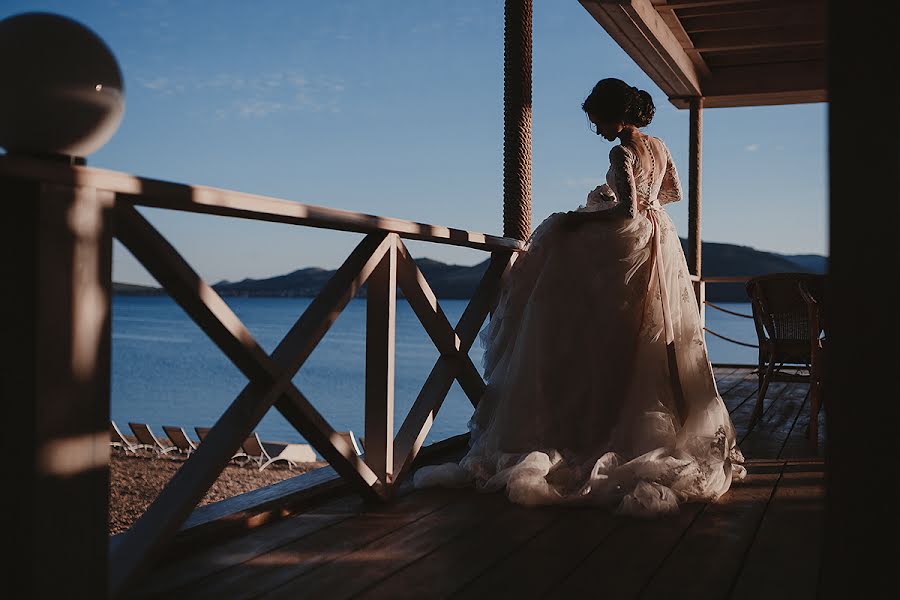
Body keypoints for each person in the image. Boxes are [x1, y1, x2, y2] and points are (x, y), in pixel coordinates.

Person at [413, 78, 745, 517]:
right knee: (642, 341)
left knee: (589, 317)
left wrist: (579, 218)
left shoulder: (621, 152)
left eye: (598, 120)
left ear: (615, 116)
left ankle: (590, 425)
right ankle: (633, 423)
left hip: (625, 246)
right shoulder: (660, 146)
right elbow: (670, 195)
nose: (597, 129)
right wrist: (646, 207)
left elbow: (624, 213)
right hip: (657, 242)